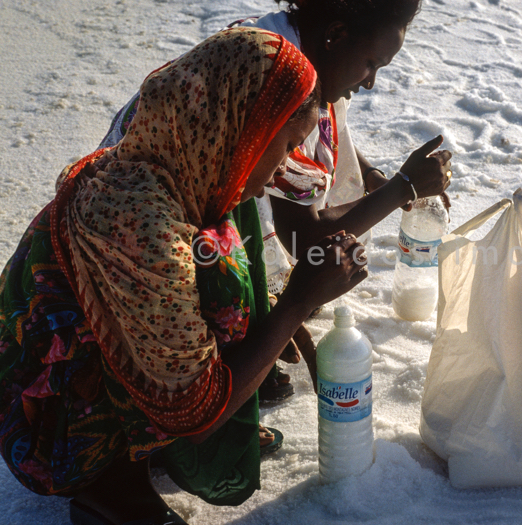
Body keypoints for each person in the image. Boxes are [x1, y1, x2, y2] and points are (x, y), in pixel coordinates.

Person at [0, 28, 369, 525]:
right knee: (203, 379)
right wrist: (297, 303)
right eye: (283, 146)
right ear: (243, 127)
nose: (283, 166)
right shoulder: (141, 226)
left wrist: (272, 319)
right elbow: (193, 414)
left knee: (232, 238)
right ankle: (110, 485)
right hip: (45, 427)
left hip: (90, 351)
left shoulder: (176, 150)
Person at [99, 0, 454, 403]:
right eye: (372, 63)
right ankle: (233, 352)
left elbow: (317, 132)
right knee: (251, 263)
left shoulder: (277, 42)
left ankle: (246, 332)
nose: (371, 82)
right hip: (141, 246)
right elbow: (305, 241)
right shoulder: (282, 87)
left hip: (142, 194)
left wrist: (371, 174)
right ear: (335, 35)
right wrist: (294, 306)